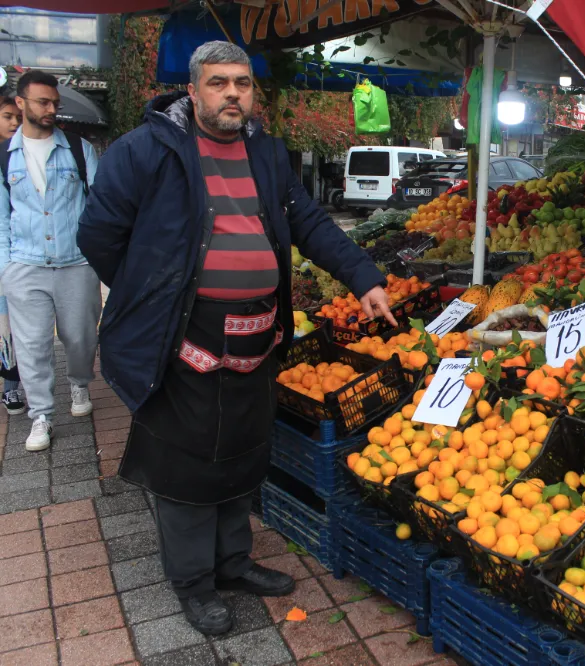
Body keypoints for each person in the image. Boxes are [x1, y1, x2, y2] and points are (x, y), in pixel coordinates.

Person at [77, 42, 396, 636]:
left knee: (243, 450)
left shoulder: (267, 152)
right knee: (186, 460)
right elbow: (99, 234)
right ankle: (194, 583)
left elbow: (307, 221)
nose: (232, 94)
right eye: (218, 83)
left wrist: (362, 278)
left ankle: (233, 563)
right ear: (192, 90)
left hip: (257, 333)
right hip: (184, 332)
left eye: (242, 84)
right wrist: (154, 295)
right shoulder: (146, 151)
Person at [0, 72, 101, 451]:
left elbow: (100, 207)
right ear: (21, 102)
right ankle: (40, 415)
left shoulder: (78, 149)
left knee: (80, 336)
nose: (51, 109)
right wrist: (6, 269)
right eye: (43, 102)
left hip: (76, 263)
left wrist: (96, 257)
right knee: (31, 344)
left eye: (54, 103)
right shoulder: (3, 157)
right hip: (25, 265)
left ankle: (78, 383)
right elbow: (1, 218)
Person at [0, 97, 25, 415]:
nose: (14, 123)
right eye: (7, 116)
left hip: (17, 253)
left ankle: (11, 386)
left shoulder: (19, 158)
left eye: (18, 117)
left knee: (12, 323)